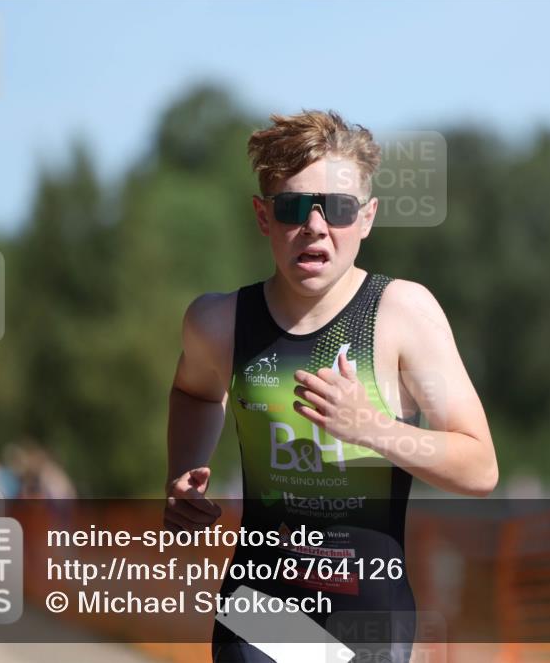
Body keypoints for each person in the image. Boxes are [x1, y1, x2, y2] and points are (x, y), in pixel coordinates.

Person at [164, 109, 497, 662]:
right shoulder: (217, 322)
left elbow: (480, 466)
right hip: (257, 607)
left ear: (367, 218)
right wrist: (181, 473)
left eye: (337, 209)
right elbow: (195, 392)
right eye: (294, 207)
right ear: (263, 217)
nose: (315, 226)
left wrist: (374, 428)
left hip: (364, 618)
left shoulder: (402, 315)